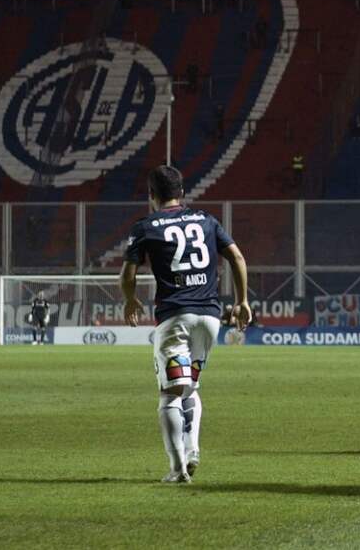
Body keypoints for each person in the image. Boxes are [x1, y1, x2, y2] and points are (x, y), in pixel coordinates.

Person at [121, 165, 251, 483]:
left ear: (152, 195)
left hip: (175, 316)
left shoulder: (146, 226)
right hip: (208, 319)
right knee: (191, 386)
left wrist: (130, 299)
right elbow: (236, 256)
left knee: (170, 394)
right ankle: (192, 451)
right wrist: (243, 300)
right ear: (182, 192)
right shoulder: (207, 220)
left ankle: (178, 470)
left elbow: (128, 273)